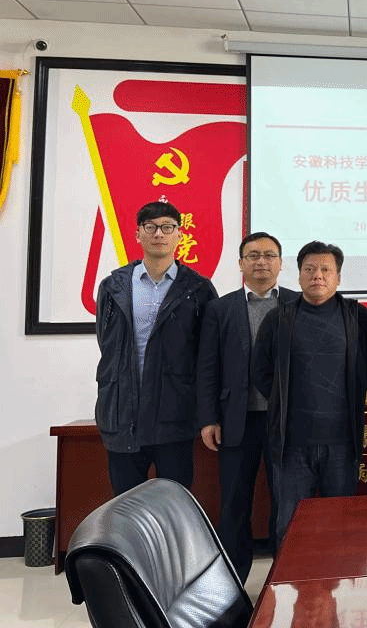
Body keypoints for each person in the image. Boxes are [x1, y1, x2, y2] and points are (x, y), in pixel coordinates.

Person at [253, 240, 367, 549]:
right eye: (309, 269)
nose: (317, 275)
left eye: (325, 269)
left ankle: (335, 580)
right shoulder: (278, 318)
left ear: (338, 277)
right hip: (292, 443)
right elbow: (261, 372)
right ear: (298, 276)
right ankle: (289, 582)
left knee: (341, 524)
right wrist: (285, 402)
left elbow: (366, 369)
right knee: (289, 526)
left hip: (342, 442)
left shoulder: (358, 317)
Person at [94, 200, 217, 495]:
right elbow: (107, 344)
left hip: (175, 416)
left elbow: (208, 356)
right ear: (138, 234)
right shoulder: (113, 286)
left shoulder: (198, 289)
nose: (159, 234)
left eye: (167, 227)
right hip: (123, 415)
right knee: (126, 505)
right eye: (150, 227)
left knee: (174, 502)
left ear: (179, 235)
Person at [196, 231, 296, 581]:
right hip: (236, 421)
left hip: (286, 421)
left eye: (269, 255)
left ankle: (285, 576)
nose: (261, 262)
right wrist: (208, 418)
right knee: (234, 504)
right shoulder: (220, 309)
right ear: (241, 263)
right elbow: (207, 367)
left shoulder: (298, 303)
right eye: (253, 256)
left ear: (280, 264)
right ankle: (232, 581)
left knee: (286, 502)